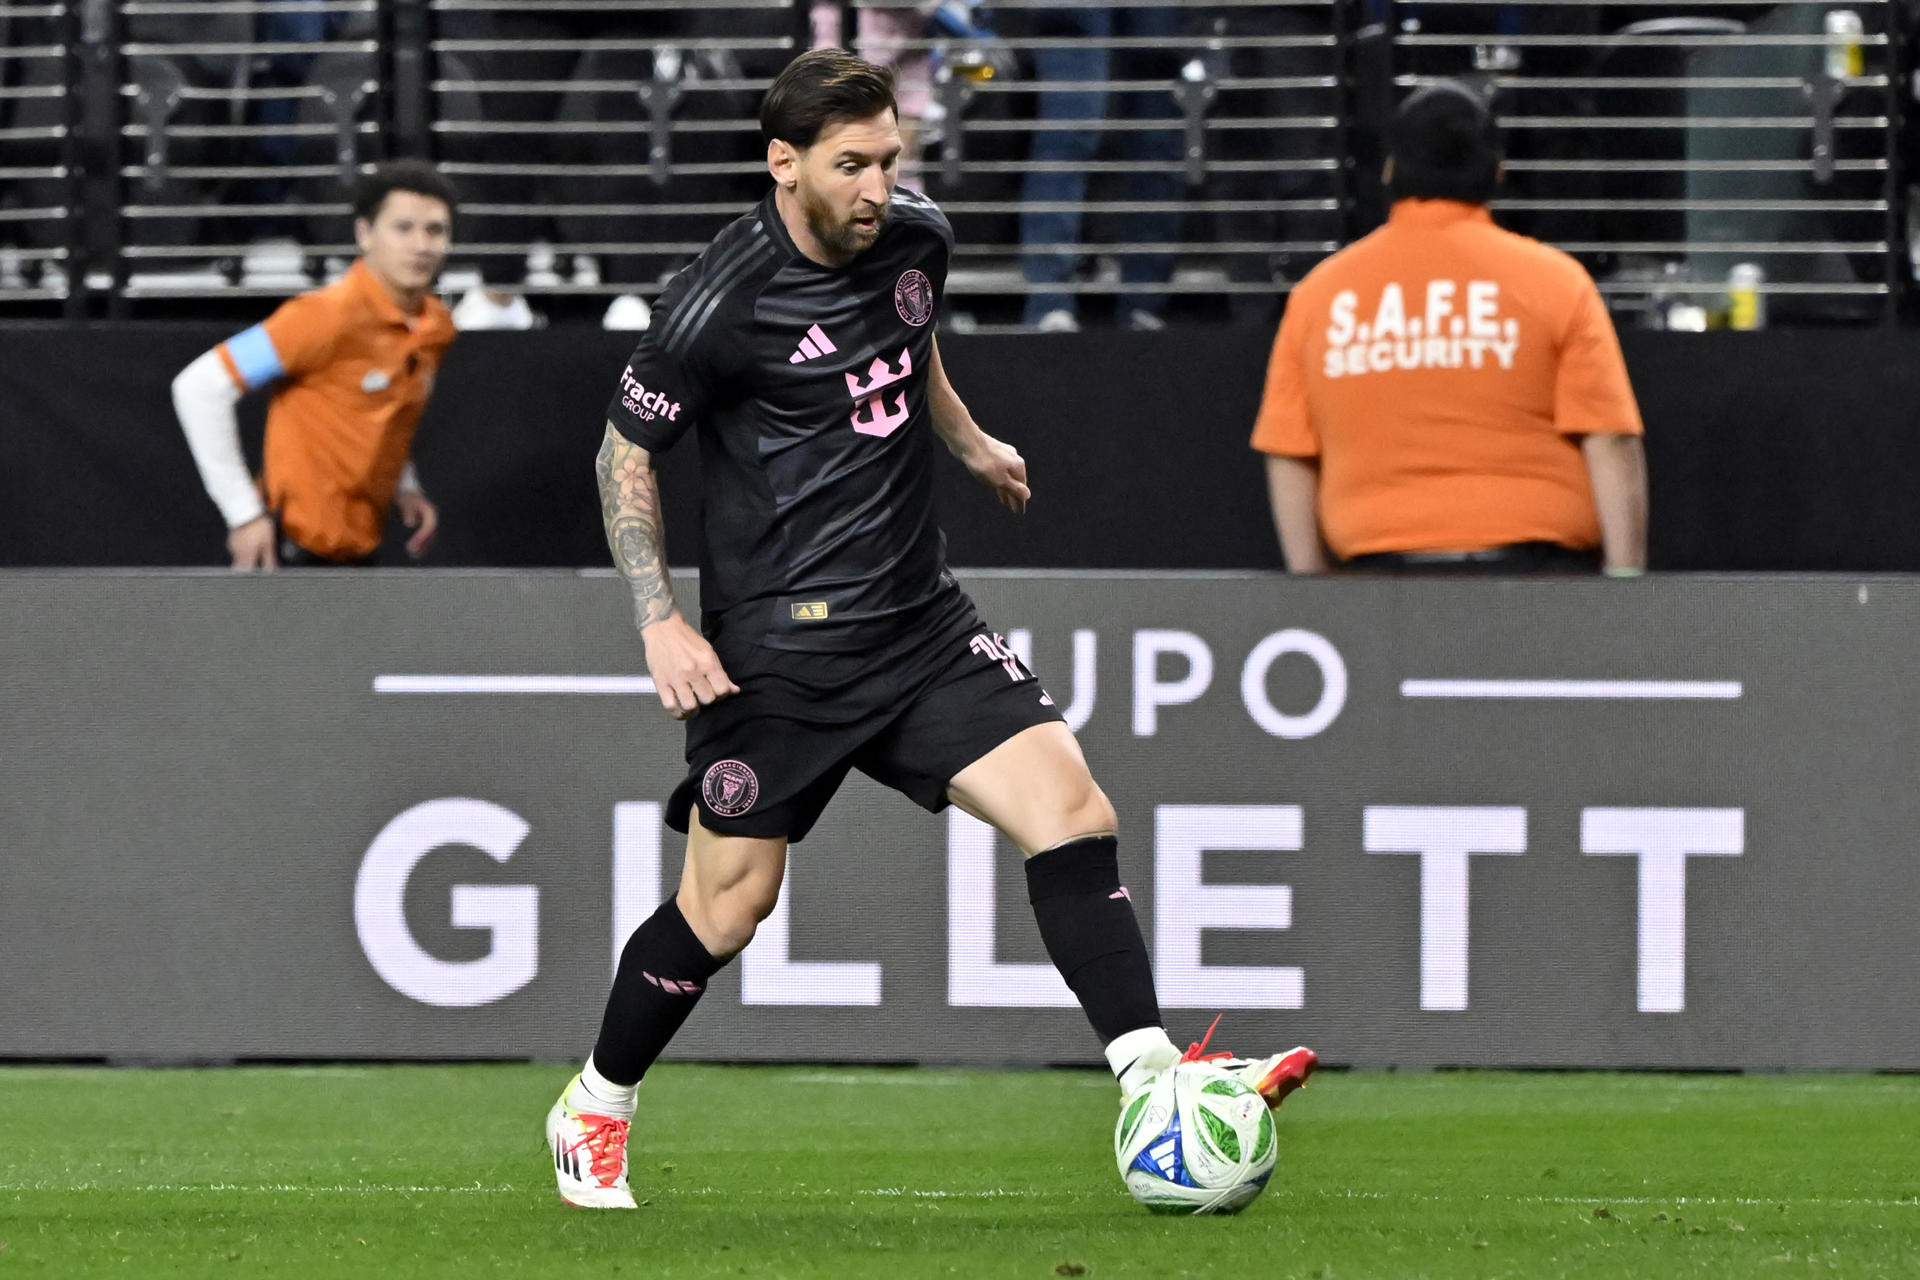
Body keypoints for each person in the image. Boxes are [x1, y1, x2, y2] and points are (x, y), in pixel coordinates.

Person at [545, 48, 1316, 1210]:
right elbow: (624, 452)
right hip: (778, 656)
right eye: (851, 165)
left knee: (1072, 810)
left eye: (890, 160)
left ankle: (1153, 1078)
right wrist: (659, 620)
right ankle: (596, 1104)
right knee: (729, 902)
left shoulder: (915, 237)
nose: (876, 186)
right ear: (783, 161)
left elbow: (912, 349)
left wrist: (967, 439)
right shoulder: (717, 300)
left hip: (917, 621)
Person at [1251, 82, 1648, 575]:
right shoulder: (1557, 282)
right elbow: (1610, 438)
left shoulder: (1319, 296)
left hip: (1381, 593)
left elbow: (1289, 452)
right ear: (1498, 171)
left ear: (1390, 171)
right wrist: (1628, 585)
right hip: (1539, 588)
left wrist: (1314, 593)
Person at [170, 161, 457, 569]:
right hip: (294, 552)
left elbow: (392, 414)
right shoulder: (323, 316)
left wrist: (405, 486)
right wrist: (243, 514)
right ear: (365, 233)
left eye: (435, 230)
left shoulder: (436, 327)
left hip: (365, 546)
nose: (421, 245)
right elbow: (199, 387)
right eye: (403, 227)